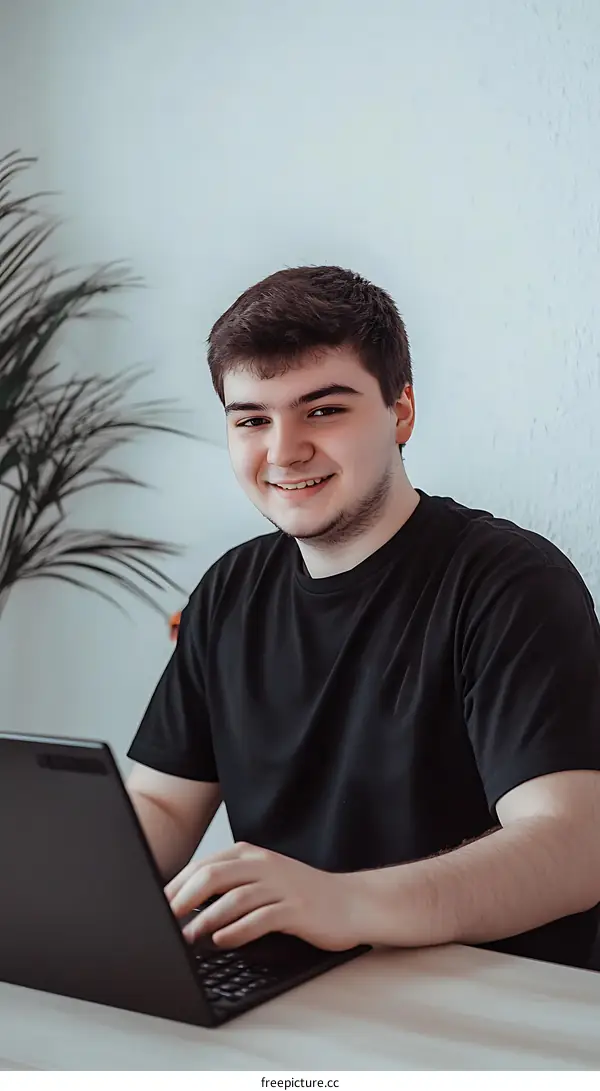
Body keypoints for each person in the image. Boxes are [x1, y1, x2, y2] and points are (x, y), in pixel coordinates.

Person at [126, 265, 600, 970]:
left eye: (323, 409)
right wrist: (61, 881)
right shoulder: (228, 590)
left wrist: (343, 902)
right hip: (293, 996)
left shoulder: (510, 582)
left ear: (401, 411)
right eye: (252, 419)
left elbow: (573, 845)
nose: (283, 450)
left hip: (480, 1008)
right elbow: (163, 808)